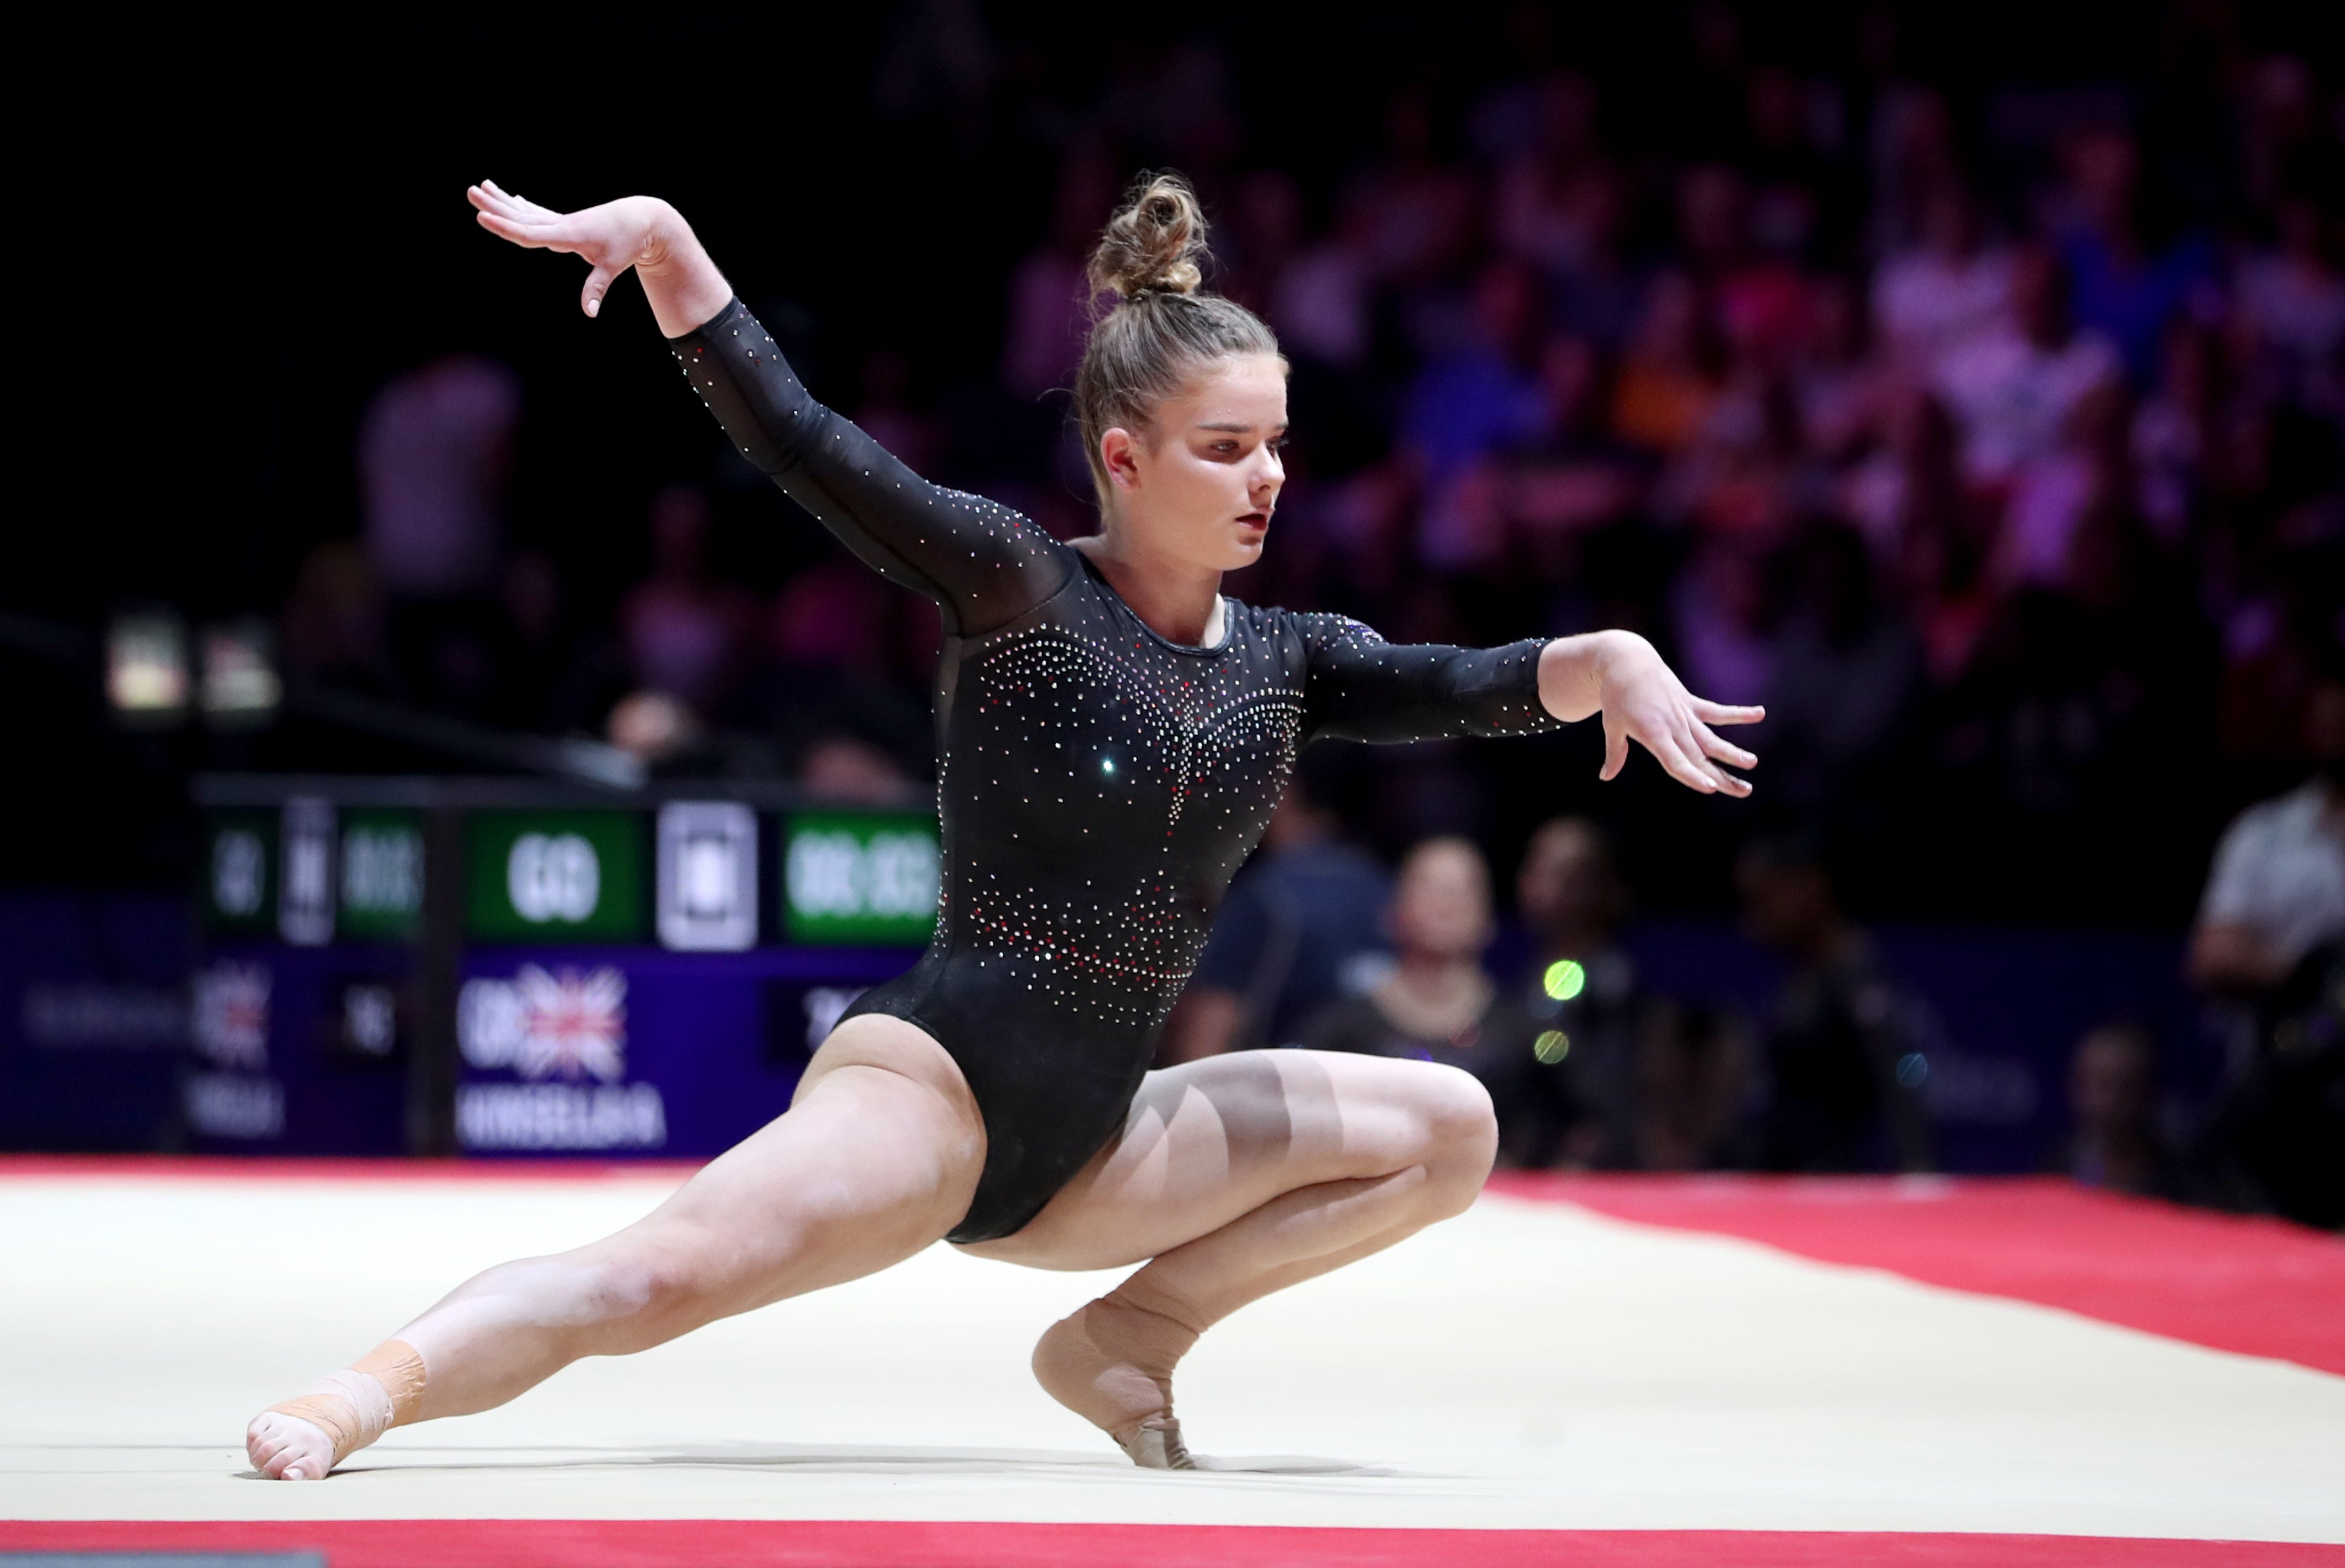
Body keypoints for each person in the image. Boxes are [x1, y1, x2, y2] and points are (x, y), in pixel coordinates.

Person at [245, 174, 1761, 1482]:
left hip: (1104, 1139)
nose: (1267, 477)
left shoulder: (1292, 659)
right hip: (937, 1095)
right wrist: (668, 252)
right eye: (1225, 447)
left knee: (1450, 1129)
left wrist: (1611, 657)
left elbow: (1477, 683)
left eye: (1276, 444)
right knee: (652, 1277)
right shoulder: (1018, 585)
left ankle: (1127, 1336)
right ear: (1124, 457)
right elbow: (805, 443)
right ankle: (358, 1395)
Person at [1296, 838, 1568, 1166]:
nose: (1446, 903)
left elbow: (1576, 1131)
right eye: (1430, 887)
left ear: (1489, 919)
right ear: (1392, 913)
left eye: (1463, 890)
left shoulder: (1526, 1031)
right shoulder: (1339, 1030)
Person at [1737, 833, 1932, 1173]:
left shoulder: (1856, 974)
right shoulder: (1802, 973)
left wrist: (1920, 1168)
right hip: (1783, 1175)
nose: (1752, 920)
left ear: (1811, 886)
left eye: (1764, 899)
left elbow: (1899, 1071)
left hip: (1827, 1180)